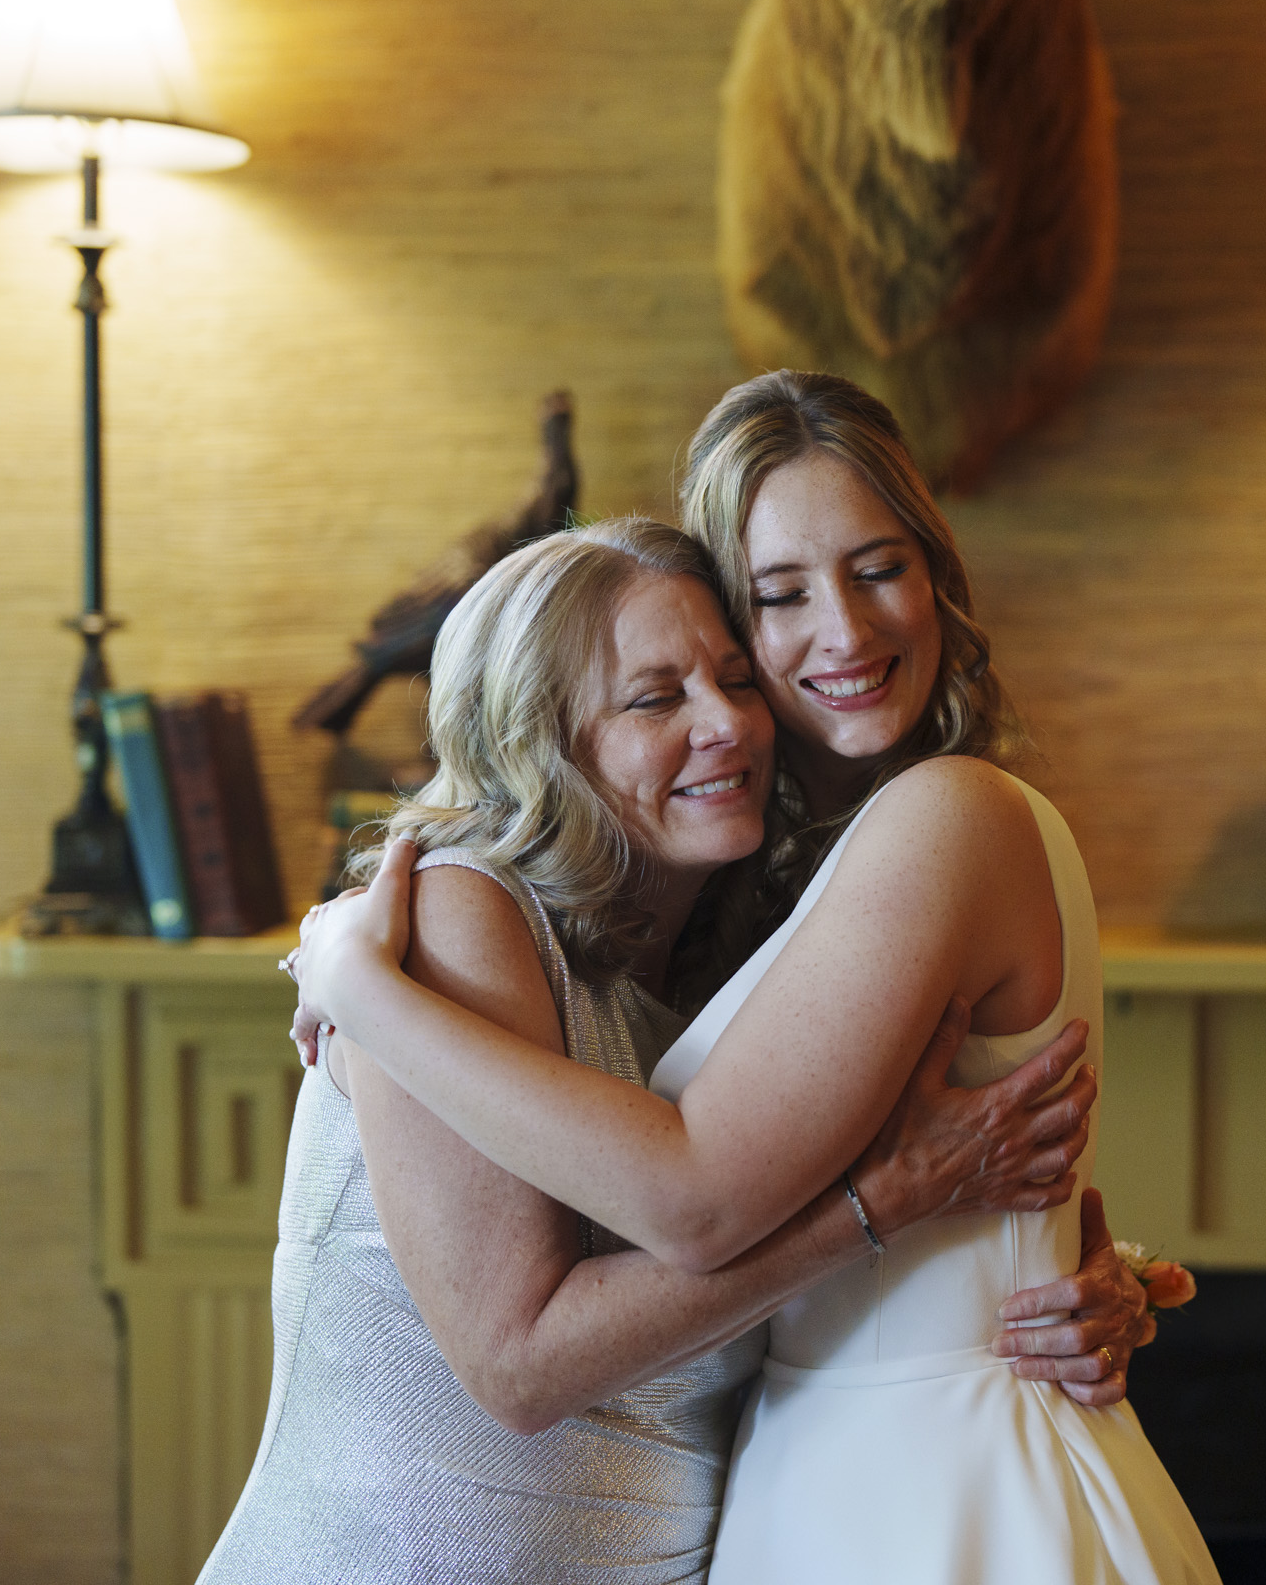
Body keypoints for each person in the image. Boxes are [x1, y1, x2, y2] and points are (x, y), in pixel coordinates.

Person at [296, 372, 1219, 1583]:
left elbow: (707, 1201)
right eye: (779, 597)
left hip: (923, 1485)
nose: (839, 631)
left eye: (879, 566)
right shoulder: (736, 908)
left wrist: (359, 990)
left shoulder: (947, 815)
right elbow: (673, 1244)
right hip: (797, 1486)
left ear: (939, 574)